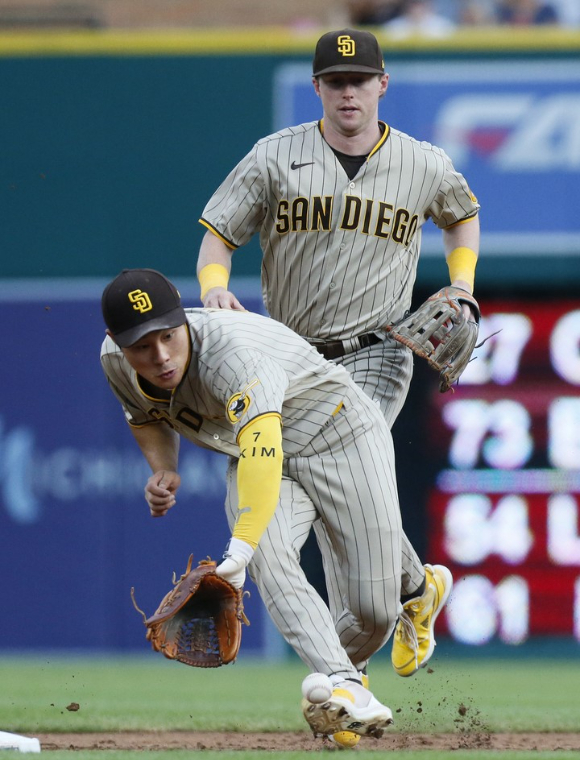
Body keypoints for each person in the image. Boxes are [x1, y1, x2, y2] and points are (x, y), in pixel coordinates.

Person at [196, 27, 478, 743]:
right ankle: (413, 591)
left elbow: (462, 211)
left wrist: (464, 285)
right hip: (287, 358)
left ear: (382, 85)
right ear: (319, 87)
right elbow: (219, 233)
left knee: (336, 479)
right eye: (334, 81)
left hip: (378, 356)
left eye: (360, 80)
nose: (347, 92)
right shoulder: (276, 157)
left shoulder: (421, 162)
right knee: (302, 519)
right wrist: (214, 288)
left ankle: (351, 668)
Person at [100, 267, 408, 741]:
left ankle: (384, 623)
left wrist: (237, 553)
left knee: (374, 611)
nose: (159, 356)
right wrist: (163, 466)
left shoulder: (233, 356)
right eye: (141, 346)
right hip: (262, 456)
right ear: (117, 343)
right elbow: (145, 415)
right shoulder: (115, 361)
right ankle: (346, 687)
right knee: (269, 552)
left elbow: (263, 455)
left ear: (184, 319)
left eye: (167, 336)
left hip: (341, 435)